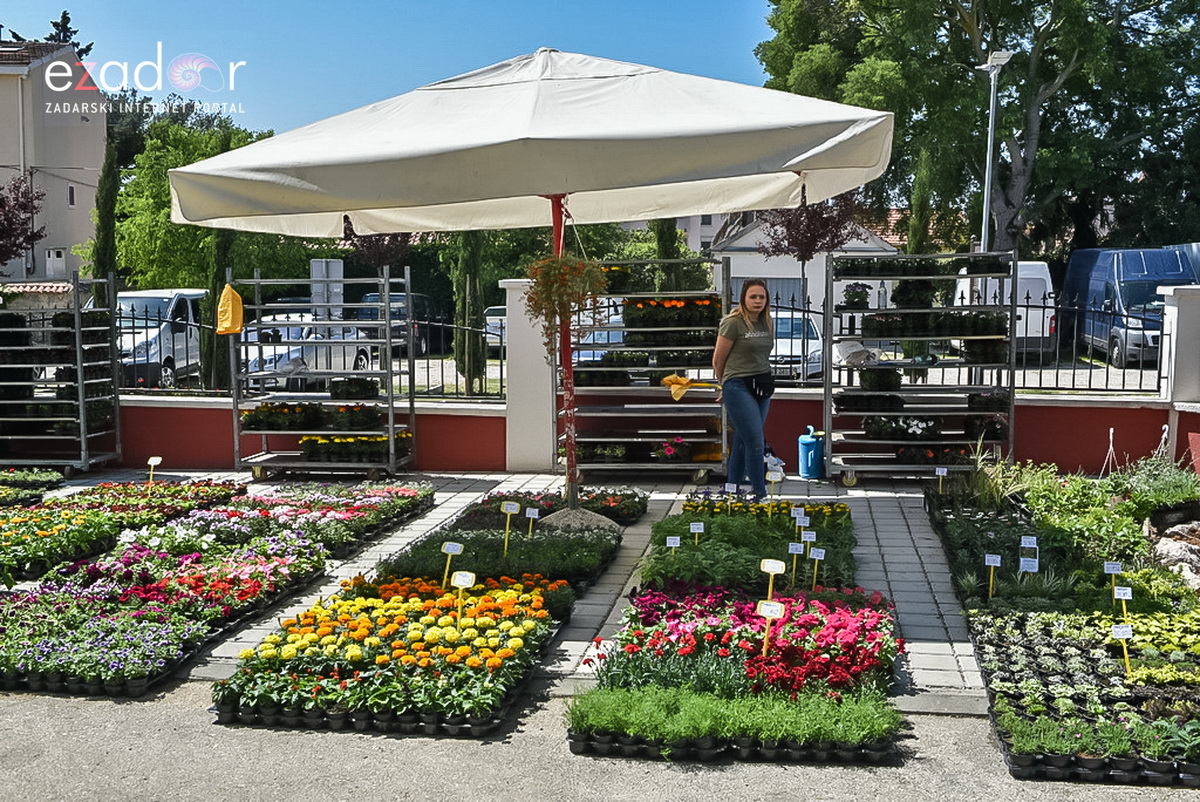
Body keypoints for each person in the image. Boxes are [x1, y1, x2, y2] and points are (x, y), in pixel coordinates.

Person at [712, 279, 775, 498]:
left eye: (762, 297)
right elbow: (718, 360)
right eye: (753, 297)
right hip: (738, 385)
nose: (758, 301)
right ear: (744, 299)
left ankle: (731, 490)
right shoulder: (733, 322)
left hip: (762, 385)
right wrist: (724, 385)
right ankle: (760, 493)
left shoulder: (767, 322)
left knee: (743, 438)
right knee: (756, 441)